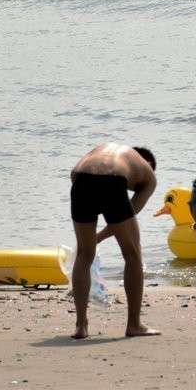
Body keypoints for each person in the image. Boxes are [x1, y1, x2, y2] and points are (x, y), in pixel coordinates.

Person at [69, 143, 160, 338]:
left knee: (84, 255)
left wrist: (95, 237)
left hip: (80, 181)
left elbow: (75, 174)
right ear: (148, 164)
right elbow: (130, 213)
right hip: (112, 182)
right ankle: (134, 324)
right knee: (133, 254)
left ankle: (81, 325)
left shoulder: (108, 151)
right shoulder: (149, 175)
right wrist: (100, 236)